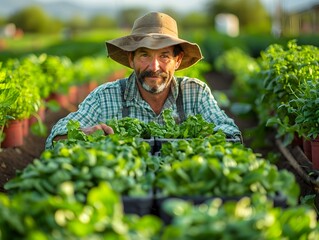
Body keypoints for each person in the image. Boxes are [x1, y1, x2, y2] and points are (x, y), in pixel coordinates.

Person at [45, 11, 242, 149]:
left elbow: (232, 133)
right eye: (144, 55)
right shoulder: (106, 97)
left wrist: (209, 138)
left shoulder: (195, 93)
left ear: (177, 60)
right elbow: (55, 138)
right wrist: (85, 133)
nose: (154, 67)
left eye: (164, 56)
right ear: (131, 59)